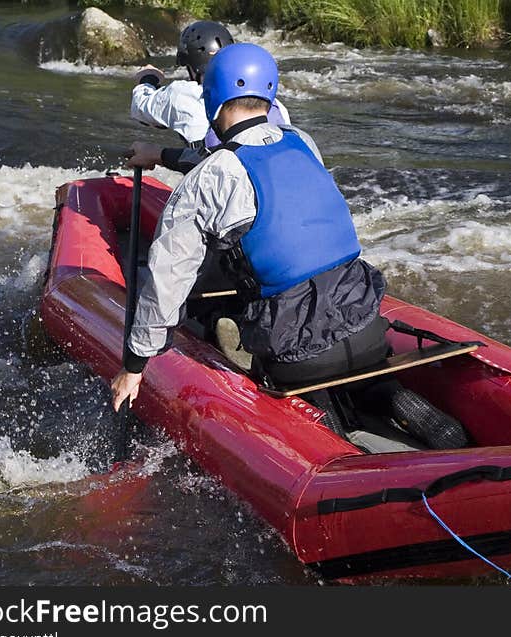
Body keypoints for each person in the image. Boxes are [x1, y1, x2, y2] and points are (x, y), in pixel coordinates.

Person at [110, 42, 468, 450]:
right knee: (365, 379)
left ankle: (337, 443)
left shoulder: (209, 180)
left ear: (211, 97)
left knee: (308, 385)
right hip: (366, 322)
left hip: (296, 351)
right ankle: (433, 424)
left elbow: (166, 278)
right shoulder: (303, 142)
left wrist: (134, 365)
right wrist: (165, 155)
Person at [127, 20, 291, 173]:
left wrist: (148, 78)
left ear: (192, 68)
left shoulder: (184, 94)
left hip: (217, 182)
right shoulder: (275, 105)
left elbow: (140, 106)